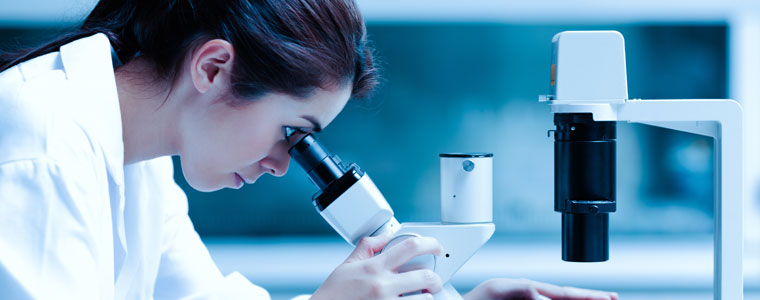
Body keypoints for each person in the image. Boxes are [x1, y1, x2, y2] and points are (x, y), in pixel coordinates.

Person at [0, 0, 619, 299]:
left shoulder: (140, 158)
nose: (279, 165)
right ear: (214, 68)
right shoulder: (43, 146)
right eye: (293, 135)